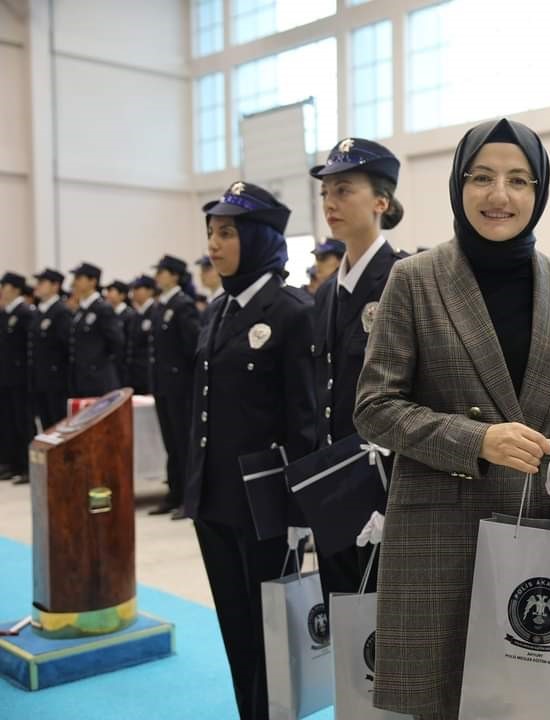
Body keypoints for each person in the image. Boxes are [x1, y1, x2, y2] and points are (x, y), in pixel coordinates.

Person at [353, 118, 550, 719]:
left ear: (540, 192)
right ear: (459, 185)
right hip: (438, 538)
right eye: (481, 177)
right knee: (439, 700)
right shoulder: (416, 278)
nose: (498, 196)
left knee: (529, 703)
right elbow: (374, 407)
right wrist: (476, 439)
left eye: (518, 180)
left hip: (537, 530)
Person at [183, 181, 317, 720]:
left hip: (265, 508)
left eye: (227, 232)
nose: (214, 244)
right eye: (211, 232)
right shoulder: (217, 311)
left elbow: (305, 421)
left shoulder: (291, 311)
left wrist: (300, 513)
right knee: (235, 629)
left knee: (271, 640)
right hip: (213, 501)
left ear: (260, 238)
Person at [306, 137, 408, 615]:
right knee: (345, 629)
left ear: (381, 201)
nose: (330, 203)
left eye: (344, 190)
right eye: (326, 192)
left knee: (390, 638)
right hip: (335, 490)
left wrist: (397, 499)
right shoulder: (326, 294)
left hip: (389, 490)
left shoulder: (406, 279)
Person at [150, 255, 200, 518]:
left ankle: (188, 499)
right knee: (171, 443)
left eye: (162, 272)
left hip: (180, 386)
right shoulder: (162, 306)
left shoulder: (183, 306)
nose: (158, 276)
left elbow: (192, 346)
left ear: (175, 275)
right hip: (163, 385)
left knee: (183, 443)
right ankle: (174, 492)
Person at [68, 262, 124, 398]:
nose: (74, 283)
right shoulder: (81, 311)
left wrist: (100, 364)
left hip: (98, 378)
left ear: (92, 281)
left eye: (79, 279)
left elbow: (117, 341)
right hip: (81, 378)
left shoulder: (102, 309)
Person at [1, 272, 35, 484]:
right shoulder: (5, 314)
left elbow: (28, 348)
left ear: (14, 288)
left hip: (21, 377)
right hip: (5, 377)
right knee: (8, 422)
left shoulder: (25, 313)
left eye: (4, 286)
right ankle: (12, 462)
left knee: (23, 422)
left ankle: (26, 465)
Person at [28, 269, 72, 432]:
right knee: (46, 426)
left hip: (56, 380)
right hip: (40, 378)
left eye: (42, 282)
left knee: (58, 424)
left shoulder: (60, 311)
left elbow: (66, 347)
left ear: (55, 286)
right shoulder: (39, 312)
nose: (37, 286)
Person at [126, 275, 155, 395]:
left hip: (148, 372)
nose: (134, 293)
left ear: (150, 290)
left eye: (138, 288)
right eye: (133, 289)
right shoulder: (136, 315)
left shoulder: (155, 311)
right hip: (135, 373)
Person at [105, 280, 134, 386]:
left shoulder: (129, 315)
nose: (108, 295)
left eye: (112, 291)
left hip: (122, 364)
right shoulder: (107, 313)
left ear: (122, 295)